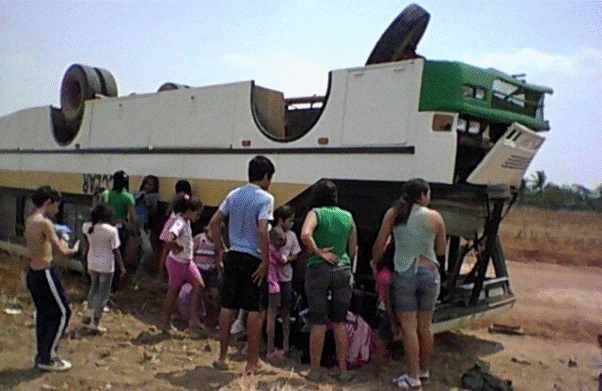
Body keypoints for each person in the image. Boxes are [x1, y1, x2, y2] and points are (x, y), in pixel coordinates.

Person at [371, 178, 446, 390]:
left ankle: (412, 377)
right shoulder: (435, 217)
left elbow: (379, 244)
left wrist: (376, 263)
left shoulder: (393, 214)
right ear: (423, 195)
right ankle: (424, 371)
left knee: (409, 329)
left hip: (404, 272)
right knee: (426, 327)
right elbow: (440, 251)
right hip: (430, 273)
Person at [209, 155, 275, 373]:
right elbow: (262, 229)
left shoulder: (233, 194)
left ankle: (221, 357)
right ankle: (251, 362)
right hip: (253, 258)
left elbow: (214, 223)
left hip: (234, 254)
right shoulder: (265, 198)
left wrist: (222, 249)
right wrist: (266, 260)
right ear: (266, 176)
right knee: (253, 309)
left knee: (227, 306)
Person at [300, 179, 357, 383]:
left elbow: (305, 235)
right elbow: (353, 248)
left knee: (318, 321)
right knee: (340, 321)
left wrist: (318, 252)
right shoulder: (347, 216)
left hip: (318, 269)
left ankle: (315, 371)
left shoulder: (315, 213)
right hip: (342, 268)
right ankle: (343, 370)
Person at [24, 186, 79, 371]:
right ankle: (49, 356)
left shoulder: (30, 220)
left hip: (33, 273)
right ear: (48, 203)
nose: (56, 210)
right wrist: (74, 247)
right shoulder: (45, 223)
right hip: (46, 272)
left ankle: (42, 354)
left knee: (44, 314)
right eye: (56, 206)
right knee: (64, 312)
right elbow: (62, 251)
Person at [159, 194, 205, 333]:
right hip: (177, 263)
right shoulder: (179, 222)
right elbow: (168, 238)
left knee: (199, 286)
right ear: (190, 210)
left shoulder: (186, 221)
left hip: (187, 262)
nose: (198, 216)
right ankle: (166, 323)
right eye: (197, 212)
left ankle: (193, 319)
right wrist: (176, 247)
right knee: (173, 292)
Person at [82, 204, 126, 333]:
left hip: (92, 262)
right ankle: (96, 321)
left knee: (93, 289)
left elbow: (86, 246)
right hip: (106, 265)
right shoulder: (111, 230)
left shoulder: (87, 227)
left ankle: (88, 314)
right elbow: (116, 250)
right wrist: (122, 267)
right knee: (103, 294)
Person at [100, 170, 139, 287]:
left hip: (105, 225)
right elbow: (133, 217)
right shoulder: (128, 197)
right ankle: (115, 283)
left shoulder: (106, 195)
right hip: (120, 227)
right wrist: (136, 230)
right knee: (118, 253)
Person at [272, 205, 301, 356]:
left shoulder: (292, 236)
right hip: (271, 277)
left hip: (285, 277)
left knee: (286, 310)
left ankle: (286, 343)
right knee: (269, 311)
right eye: (289, 221)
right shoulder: (271, 233)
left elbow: (296, 254)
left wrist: (287, 259)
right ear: (280, 220)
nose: (292, 224)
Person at [370, 240, 398, 377]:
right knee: (383, 340)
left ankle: (378, 367)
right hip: (386, 309)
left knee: (382, 337)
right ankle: (376, 370)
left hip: (380, 305)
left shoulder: (380, 271)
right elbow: (388, 299)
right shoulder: (388, 276)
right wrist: (393, 321)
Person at [265, 226, 287, 362]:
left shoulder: (263, 248)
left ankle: (249, 347)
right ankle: (270, 349)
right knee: (271, 319)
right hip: (273, 286)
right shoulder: (275, 252)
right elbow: (282, 260)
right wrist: (285, 257)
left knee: (258, 317)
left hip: (263, 285)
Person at [192, 226, 220, 327]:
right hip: (199, 268)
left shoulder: (217, 242)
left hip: (211, 270)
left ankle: (214, 317)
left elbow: (217, 256)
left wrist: (219, 271)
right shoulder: (199, 238)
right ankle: (195, 316)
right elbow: (192, 253)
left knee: (215, 294)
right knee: (198, 292)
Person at [133, 175, 160, 275]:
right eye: (146, 184)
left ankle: (140, 271)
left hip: (145, 225)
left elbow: (154, 212)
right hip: (134, 224)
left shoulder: (154, 197)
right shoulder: (136, 194)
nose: (147, 187)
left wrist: (148, 203)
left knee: (148, 250)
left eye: (151, 185)